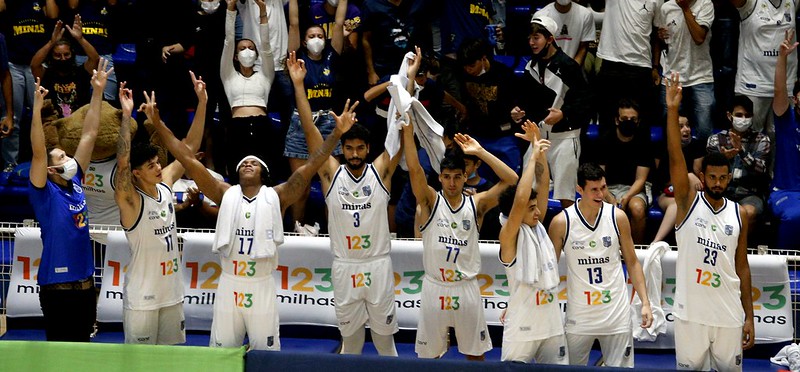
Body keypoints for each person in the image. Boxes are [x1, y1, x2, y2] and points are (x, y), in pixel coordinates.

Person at [150, 84, 356, 351]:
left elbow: (312, 164)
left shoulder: (277, 196)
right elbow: (187, 159)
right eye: (243, 163)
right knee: (222, 353)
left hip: (260, 284)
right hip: (230, 282)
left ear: (264, 173)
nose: (247, 164)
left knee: (265, 351)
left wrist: (336, 134)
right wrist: (158, 124)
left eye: (254, 163)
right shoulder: (225, 192)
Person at [288, 50, 402, 355]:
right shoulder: (331, 172)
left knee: (384, 343)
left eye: (359, 148)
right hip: (345, 266)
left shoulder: (381, 172)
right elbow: (311, 131)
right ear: (342, 148)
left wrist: (408, 84)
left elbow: (400, 137)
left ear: (367, 149)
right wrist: (299, 85)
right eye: (348, 148)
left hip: (377, 265)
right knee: (350, 343)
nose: (353, 153)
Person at [404, 120, 519, 360]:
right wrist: (407, 130)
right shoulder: (430, 202)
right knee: (428, 357)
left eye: (457, 177)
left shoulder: (476, 204)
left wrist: (480, 152)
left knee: (475, 355)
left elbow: (511, 180)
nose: (452, 182)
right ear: (440, 178)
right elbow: (414, 169)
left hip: (465, 287)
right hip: (435, 286)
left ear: (466, 177)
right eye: (447, 177)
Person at [664, 71, 755, 370]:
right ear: (703, 178)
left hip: (728, 314)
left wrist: (750, 316)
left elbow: (741, 265)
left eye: (722, 178)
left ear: (729, 178)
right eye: (712, 177)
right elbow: (675, 155)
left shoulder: (738, 213)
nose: (717, 183)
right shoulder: (687, 203)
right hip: (691, 314)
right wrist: (673, 109)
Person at [114, 77, 206, 344]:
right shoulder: (131, 201)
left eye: (157, 163)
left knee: (172, 362)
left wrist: (202, 102)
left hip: (171, 294)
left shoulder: (164, 186)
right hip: (143, 299)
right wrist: (127, 115)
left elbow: (189, 148)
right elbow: (122, 163)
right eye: (151, 165)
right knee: (142, 366)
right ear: (137, 173)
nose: (158, 167)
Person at [28, 60, 111, 341]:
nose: (69, 158)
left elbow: (89, 134)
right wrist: (37, 112)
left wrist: (97, 92)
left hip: (86, 284)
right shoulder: (44, 191)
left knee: (83, 349)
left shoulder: (76, 182)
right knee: (59, 351)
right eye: (61, 157)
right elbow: (39, 152)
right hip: (57, 287)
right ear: (51, 170)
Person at [548, 162, 653, 367]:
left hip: (616, 313)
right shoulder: (562, 222)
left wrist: (645, 303)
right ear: (579, 189)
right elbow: (548, 269)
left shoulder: (617, 217)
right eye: (594, 189)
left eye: (603, 188)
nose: (601, 194)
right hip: (580, 315)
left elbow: (632, 262)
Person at [497, 121, 567, 364]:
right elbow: (521, 198)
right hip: (523, 327)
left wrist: (539, 151)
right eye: (531, 209)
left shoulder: (537, 227)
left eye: (536, 208)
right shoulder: (509, 235)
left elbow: (544, 185)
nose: (537, 213)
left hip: (551, 323)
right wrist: (530, 159)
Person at [513, 15, 592, 208]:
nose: (532, 43)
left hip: (564, 138)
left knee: (566, 196)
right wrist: (518, 111)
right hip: (538, 137)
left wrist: (563, 114)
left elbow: (586, 102)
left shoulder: (569, 67)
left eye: (536, 38)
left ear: (550, 39)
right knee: (527, 191)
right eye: (530, 38)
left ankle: (568, 236)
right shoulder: (529, 66)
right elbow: (525, 100)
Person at [285, 0, 347, 230]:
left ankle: (333, 236)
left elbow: (339, 23)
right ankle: (297, 232)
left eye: (320, 35)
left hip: (329, 124)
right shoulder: (296, 58)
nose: (316, 39)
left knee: (330, 186)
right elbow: (293, 23)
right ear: (303, 41)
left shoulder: (333, 54)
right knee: (300, 188)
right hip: (302, 123)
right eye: (311, 36)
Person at [221, 0, 280, 180]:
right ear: (236, 56)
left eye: (251, 48)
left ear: (256, 54)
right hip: (237, 127)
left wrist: (263, 13)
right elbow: (229, 41)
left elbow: (266, 45)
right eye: (242, 49)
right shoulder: (228, 75)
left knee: (266, 176)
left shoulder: (265, 75)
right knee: (236, 176)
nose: (247, 51)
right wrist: (230, 9)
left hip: (262, 126)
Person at [729, 0, 797, 139]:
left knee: (781, 137)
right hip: (753, 84)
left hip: (786, 83)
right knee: (748, 135)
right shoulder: (750, 3)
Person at [706, 95, 770, 238]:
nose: (743, 119)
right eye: (739, 115)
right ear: (730, 116)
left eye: (747, 116)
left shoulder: (761, 140)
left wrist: (741, 152)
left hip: (749, 193)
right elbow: (709, 172)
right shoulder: (715, 140)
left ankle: (740, 252)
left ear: (752, 117)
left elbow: (761, 170)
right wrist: (724, 160)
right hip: (721, 192)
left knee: (749, 213)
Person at [654, 0, 715, 141]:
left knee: (704, 131)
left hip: (701, 75)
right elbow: (661, 40)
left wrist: (685, 8)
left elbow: (699, 37)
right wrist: (660, 36)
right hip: (672, 76)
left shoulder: (705, 4)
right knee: (669, 129)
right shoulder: (666, 7)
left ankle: (699, 163)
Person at [598, 99, 655, 244]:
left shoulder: (644, 143)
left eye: (633, 119)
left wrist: (627, 197)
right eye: (624, 119)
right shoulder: (604, 140)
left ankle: (636, 251)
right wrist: (610, 198)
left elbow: (641, 179)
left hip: (634, 189)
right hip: (606, 188)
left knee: (637, 209)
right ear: (617, 120)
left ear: (638, 121)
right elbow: (599, 176)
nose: (628, 122)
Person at [652, 114, 704, 243]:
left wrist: (690, 176)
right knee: (676, 205)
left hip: (692, 194)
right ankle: (655, 242)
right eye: (680, 127)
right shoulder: (661, 147)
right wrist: (687, 175)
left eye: (687, 125)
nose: (686, 129)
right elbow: (660, 180)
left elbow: (698, 179)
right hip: (668, 194)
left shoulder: (697, 146)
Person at [771, 29, 800, 249]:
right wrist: (782, 58)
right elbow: (779, 90)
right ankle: (787, 266)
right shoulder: (786, 118)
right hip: (786, 193)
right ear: (795, 99)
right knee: (795, 215)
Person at [532, 0, 595, 64]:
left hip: (573, 66)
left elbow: (583, 47)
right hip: (547, 66)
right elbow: (538, 47)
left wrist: (573, 67)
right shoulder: (540, 16)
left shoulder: (585, 15)